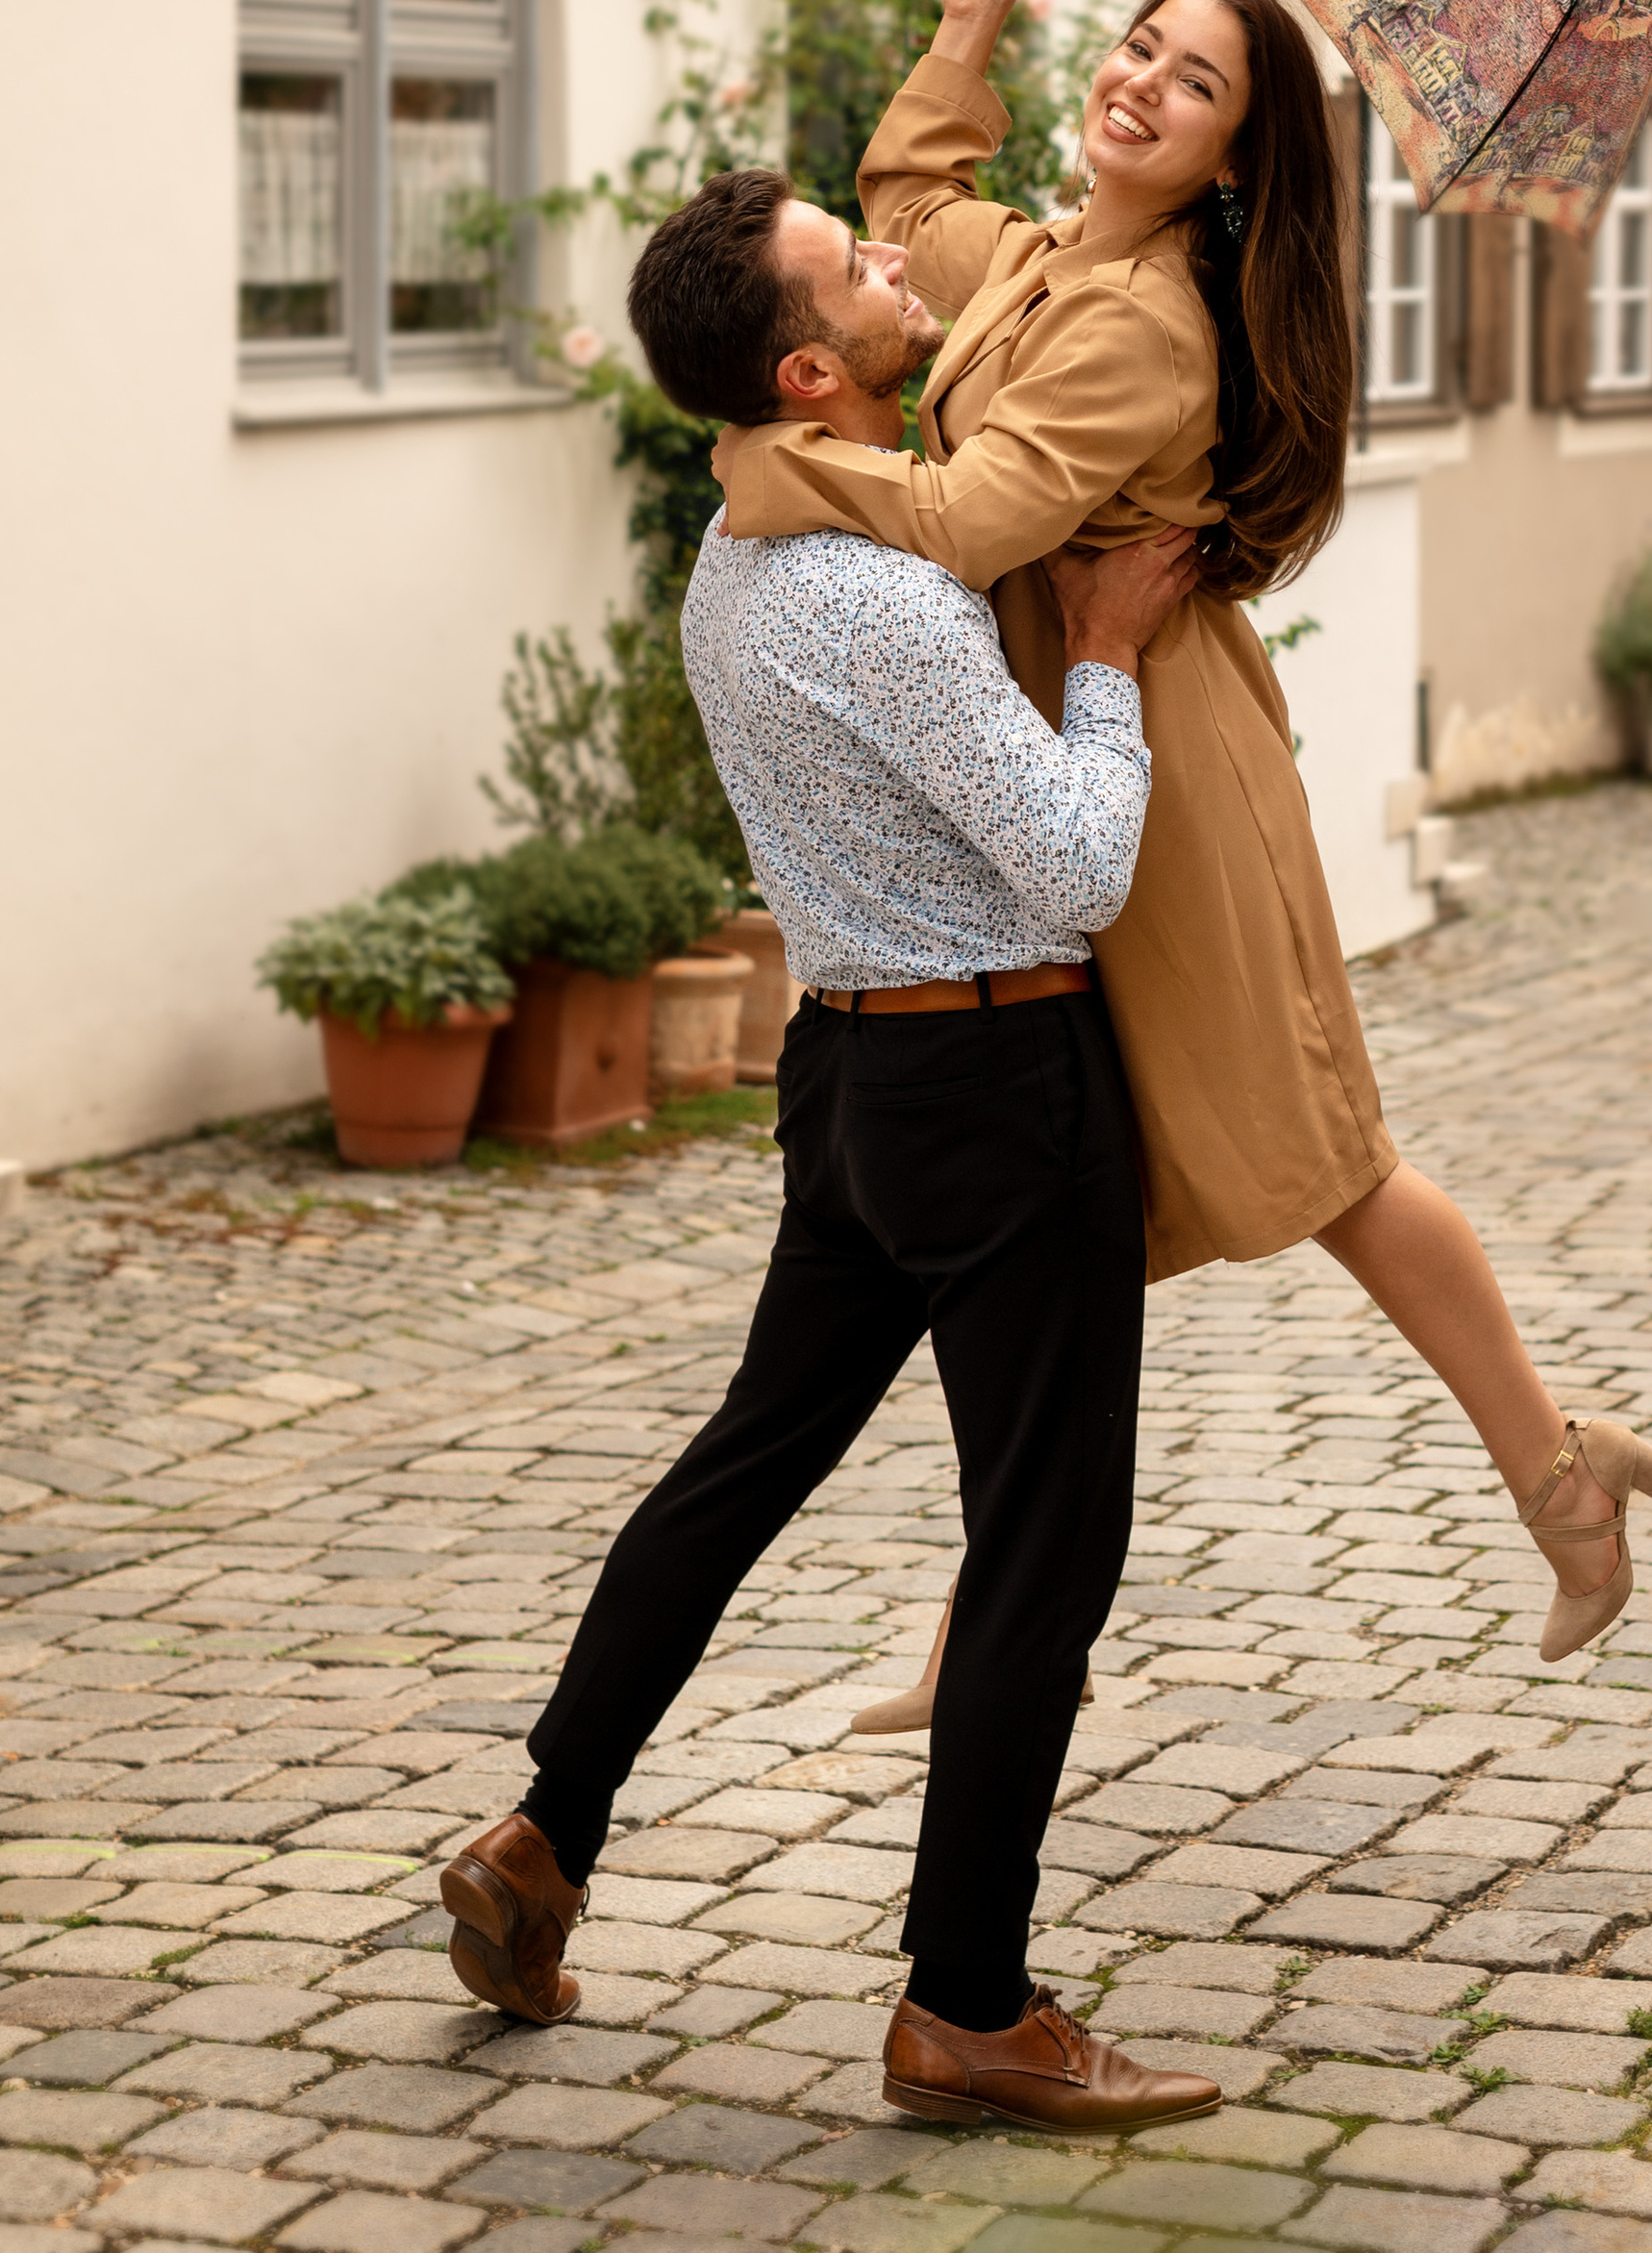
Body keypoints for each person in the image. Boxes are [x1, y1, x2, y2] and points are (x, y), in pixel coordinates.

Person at [712, 0, 1652, 1746]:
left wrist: (770, 468)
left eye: (1195, 82)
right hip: (1067, 735)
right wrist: (975, 13)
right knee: (1064, 1207)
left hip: (1160, 772)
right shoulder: (1048, 262)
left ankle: (1561, 1481)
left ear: (1237, 157)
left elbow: (978, 519)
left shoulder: (1141, 325)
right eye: (1141, 48)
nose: (1142, 84)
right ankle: (982, 1624)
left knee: (1311, 1153)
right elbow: (917, 183)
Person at [439, 164, 1219, 2137]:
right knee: (1045, 1541)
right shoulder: (879, 595)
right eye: (859, 267)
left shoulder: (734, 554)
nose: (894, 268)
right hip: (997, 1088)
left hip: (849, 1087)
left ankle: (544, 1833)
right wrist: (1111, 649)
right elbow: (1075, 859)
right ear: (814, 370)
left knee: (738, 1468)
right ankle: (966, 2001)